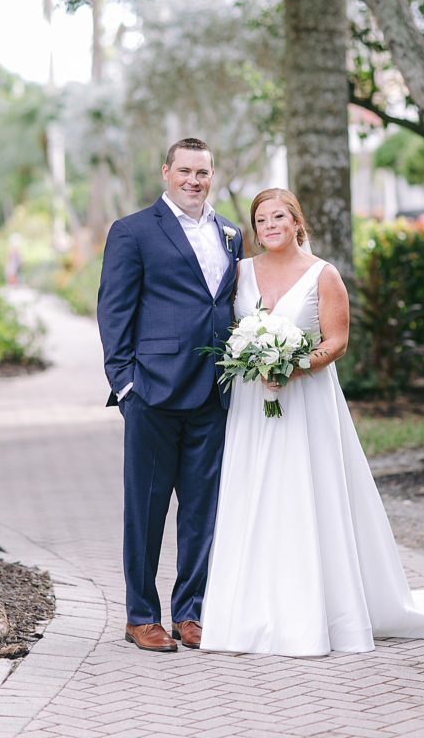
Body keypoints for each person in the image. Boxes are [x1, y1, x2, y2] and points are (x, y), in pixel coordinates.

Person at [200, 188, 424, 657]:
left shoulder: (324, 274)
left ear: (298, 221)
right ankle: (249, 612)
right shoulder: (240, 273)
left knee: (306, 492)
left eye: (279, 216)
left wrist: (289, 366)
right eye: (261, 220)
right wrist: (253, 360)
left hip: (306, 400)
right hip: (252, 404)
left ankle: (316, 611)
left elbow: (336, 342)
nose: (270, 226)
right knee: (254, 493)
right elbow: (232, 332)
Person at [97, 138, 243, 653]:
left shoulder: (231, 233)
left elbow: (224, 303)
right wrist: (126, 384)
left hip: (213, 391)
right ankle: (141, 616)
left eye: (202, 172)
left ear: (211, 175)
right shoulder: (133, 231)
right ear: (166, 172)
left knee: (202, 509)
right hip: (153, 392)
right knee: (147, 509)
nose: (193, 181)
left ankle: (191, 612)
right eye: (184, 171)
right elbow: (113, 312)